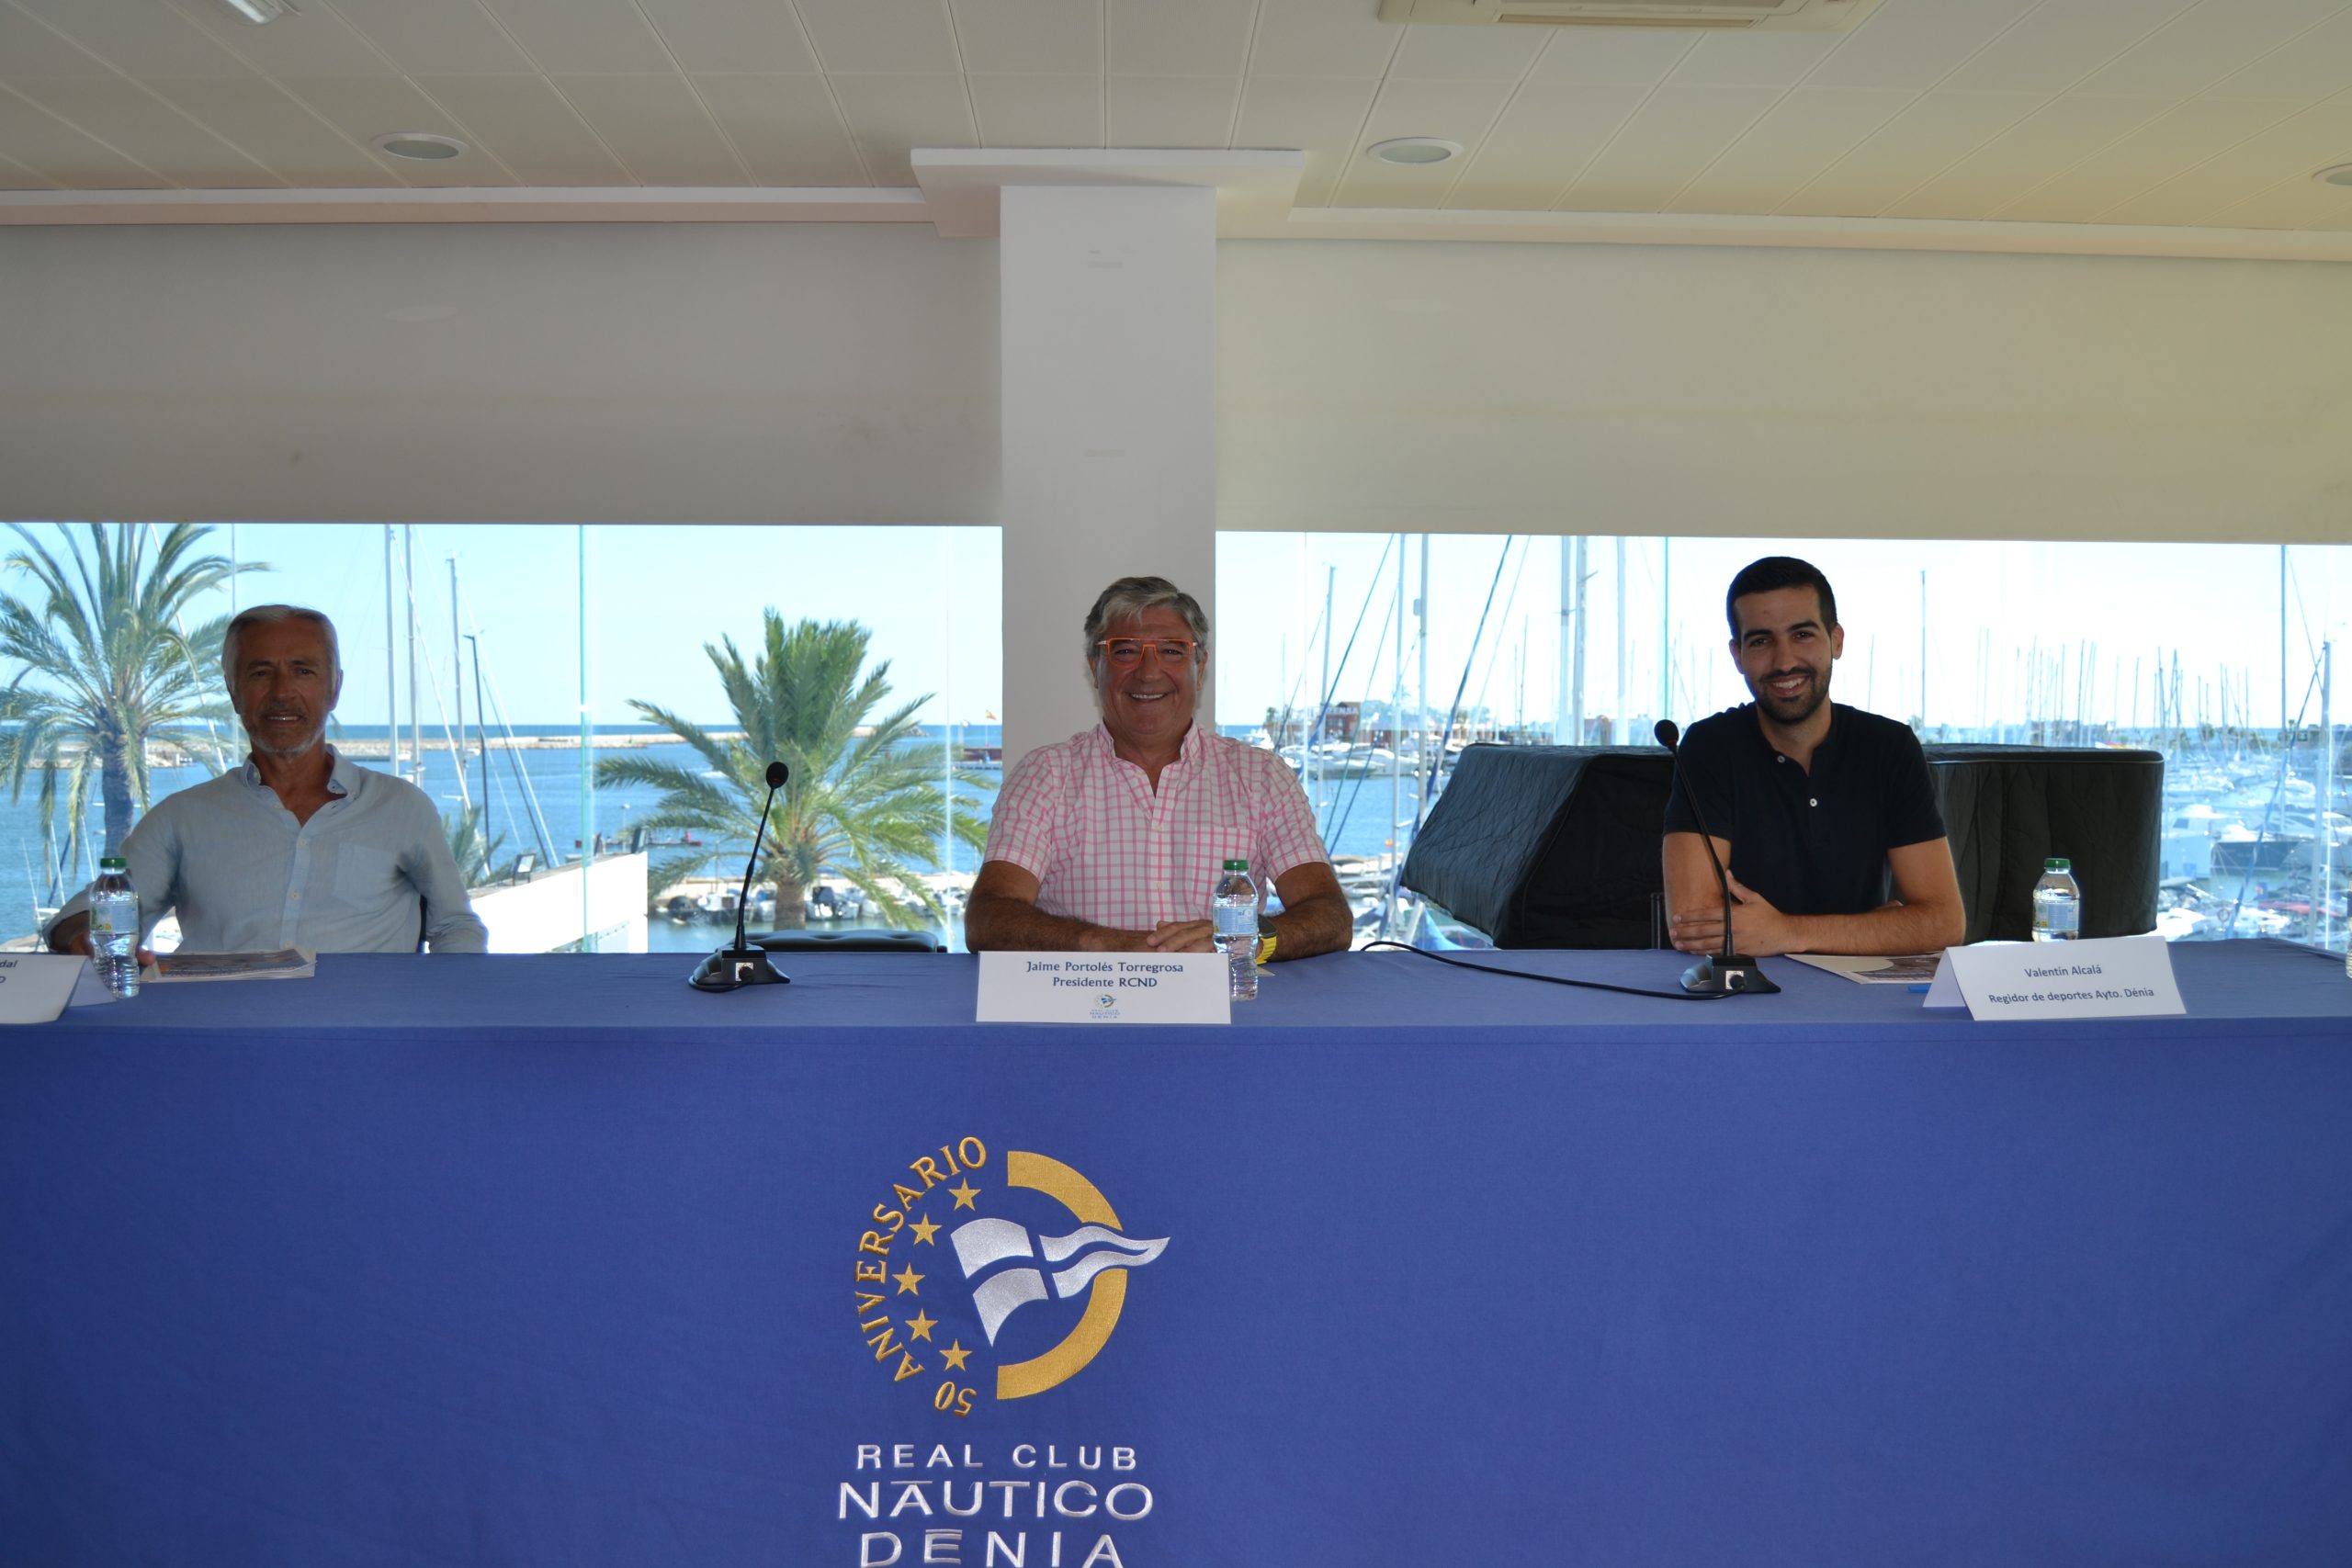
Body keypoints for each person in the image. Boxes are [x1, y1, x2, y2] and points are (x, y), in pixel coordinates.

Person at [45, 604, 489, 958]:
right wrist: (82, 936)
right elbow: (87, 916)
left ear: (334, 688)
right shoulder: (181, 819)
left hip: (361, 1033)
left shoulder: (400, 807)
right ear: (234, 691)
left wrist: (446, 1011)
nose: (281, 692)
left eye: (303, 670)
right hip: (219, 1032)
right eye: (260, 673)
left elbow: (454, 926)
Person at [964, 576, 1352, 960]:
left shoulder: (1261, 777)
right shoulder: (1045, 776)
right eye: (1125, 651)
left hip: (1224, 997)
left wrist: (1242, 939)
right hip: (1087, 997)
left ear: (1200, 667)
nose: (1148, 672)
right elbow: (988, 919)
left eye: (1171, 651)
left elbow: (1331, 917)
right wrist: (1113, 947)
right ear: (1095, 666)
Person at [1662, 557, 1965, 958]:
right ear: (1737, 655)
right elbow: (1693, 925)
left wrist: (1786, 932)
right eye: (1761, 641)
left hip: (1858, 991)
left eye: (1802, 634)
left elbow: (1944, 923)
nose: (1785, 661)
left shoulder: (1889, 746)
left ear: (1836, 641)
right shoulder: (1709, 746)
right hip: (1745, 988)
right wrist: (1873, 930)